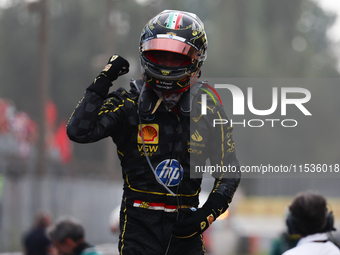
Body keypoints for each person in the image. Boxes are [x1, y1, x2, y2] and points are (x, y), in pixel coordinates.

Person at [66, 9, 241, 254]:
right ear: (144, 53)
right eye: (160, 55)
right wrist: (103, 80)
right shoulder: (126, 104)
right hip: (138, 227)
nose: (167, 65)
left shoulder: (209, 109)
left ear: (196, 59)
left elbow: (230, 172)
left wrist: (206, 215)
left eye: (176, 58)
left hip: (186, 229)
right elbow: (78, 131)